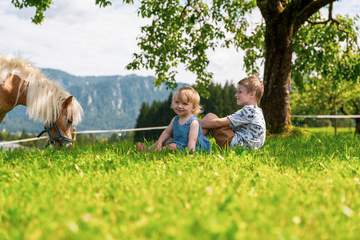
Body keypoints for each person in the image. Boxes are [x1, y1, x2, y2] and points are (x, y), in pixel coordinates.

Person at [136, 86, 211, 152]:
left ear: (193, 107)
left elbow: (193, 140)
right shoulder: (175, 119)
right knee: (165, 141)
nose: (179, 106)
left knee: (172, 146)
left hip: (192, 146)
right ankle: (148, 150)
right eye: (177, 102)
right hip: (178, 142)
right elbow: (167, 132)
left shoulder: (193, 122)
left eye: (184, 104)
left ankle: (158, 151)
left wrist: (190, 152)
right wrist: (160, 142)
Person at [201, 75, 266, 149]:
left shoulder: (249, 111)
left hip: (236, 144)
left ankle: (193, 143)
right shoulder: (258, 111)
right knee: (210, 122)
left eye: (240, 92)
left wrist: (195, 122)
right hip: (247, 147)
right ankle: (193, 140)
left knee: (210, 117)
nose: (236, 95)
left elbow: (218, 122)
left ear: (252, 94)